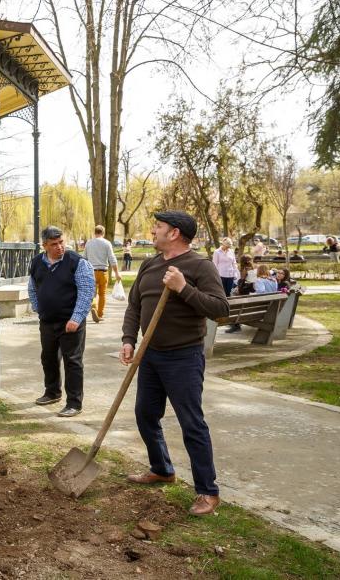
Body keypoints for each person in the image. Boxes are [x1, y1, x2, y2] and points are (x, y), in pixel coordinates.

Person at [120, 210, 229, 516]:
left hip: (183, 356)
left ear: (175, 233)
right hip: (150, 354)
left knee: (191, 423)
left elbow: (221, 310)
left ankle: (208, 492)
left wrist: (184, 288)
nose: (152, 230)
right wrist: (129, 339)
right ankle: (162, 469)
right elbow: (134, 305)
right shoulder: (150, 264)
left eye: (158, 227)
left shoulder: (199, 266)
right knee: (145, 414)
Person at [27, 226, 96, 418]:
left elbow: (87, 291)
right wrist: (38, 308)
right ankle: (52, 393)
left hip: (71, 322)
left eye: (61, 242)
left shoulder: (77, 262)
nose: (59, 247)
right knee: (48, 357)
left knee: (72, 361)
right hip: (47, 321)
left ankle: (74, 403)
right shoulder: (36, 263)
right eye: (54, 244)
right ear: (45, 246)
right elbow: (32, 288)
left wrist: (76, 318)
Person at [83, 224, 121, 323]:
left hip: (91, 272)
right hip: (103, 272)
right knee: (102, 294)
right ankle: (99, 314)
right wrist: (117, 273)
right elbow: (112, 259)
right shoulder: (107, 243)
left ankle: (93, 307)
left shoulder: (89, 243)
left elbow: (84, 259)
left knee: (93, 293)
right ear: (103, 233)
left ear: (95, 233)